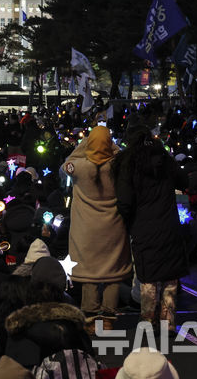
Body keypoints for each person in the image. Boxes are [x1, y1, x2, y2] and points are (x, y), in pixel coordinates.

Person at [113, 125, 189, 333]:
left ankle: (148, 320)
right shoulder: (166, 161)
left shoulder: (129, 164)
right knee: (170, 276)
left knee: (148, 276)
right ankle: (168, 321)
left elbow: (125, 201)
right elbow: (184, 181)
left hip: (143, 226)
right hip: (169, 224)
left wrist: (128, 221)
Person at [62, 125, 131, 330]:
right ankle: (108, 318)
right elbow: (120, 155)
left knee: (90, 273)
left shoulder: (78, 167)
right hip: (114, 227)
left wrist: (85, 144)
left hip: (85, 230)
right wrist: (111, 145)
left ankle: (90, 318)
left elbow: (67, 163)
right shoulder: (118, 165)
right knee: (112, 273)